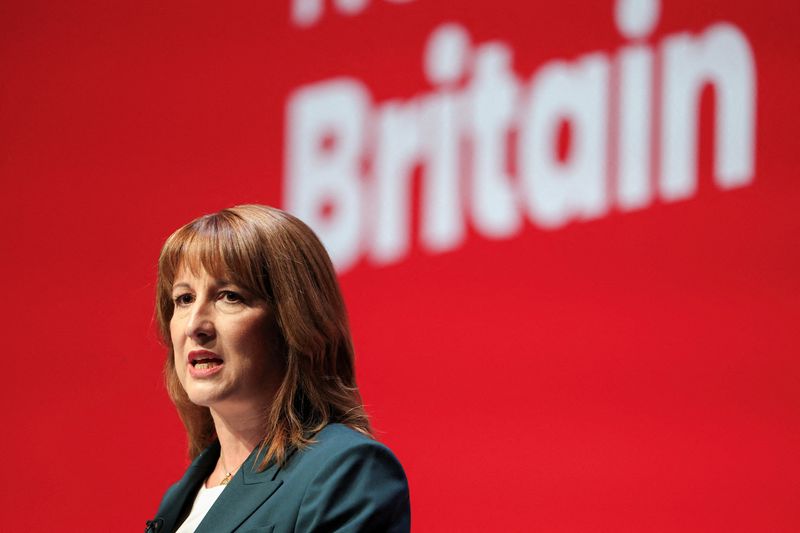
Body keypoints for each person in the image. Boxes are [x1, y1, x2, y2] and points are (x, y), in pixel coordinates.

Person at [146, 205, 410, 533]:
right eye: (184, 299)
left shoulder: (344, 472)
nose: (195, 325)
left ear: (292, 323)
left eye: (229, 296)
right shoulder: (180, 497)